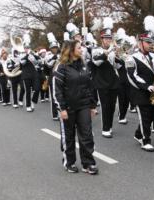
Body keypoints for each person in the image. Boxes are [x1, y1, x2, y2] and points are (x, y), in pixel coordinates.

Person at [53, 40, 98, 174]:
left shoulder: (83, 65)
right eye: (79, 47)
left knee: (87, 134)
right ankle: (69, 162)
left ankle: (88, 163)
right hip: (68, 107)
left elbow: (89, 86)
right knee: (68, 136)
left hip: (83, 105)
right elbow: (57, 90)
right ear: (71, 50)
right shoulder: (60, 66)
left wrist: (92, 105)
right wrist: (62, 109)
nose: (82, 49)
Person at [125, 33, 154, 152]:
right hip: (139, 92)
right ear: (140, 43)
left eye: (151, 42)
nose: (151, 45)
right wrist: (146, 86)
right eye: (148, 42)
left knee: (151, 115)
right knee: (145, 116)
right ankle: (146, 140)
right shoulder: (131, 57)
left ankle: (138, 134)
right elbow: (132, 76)